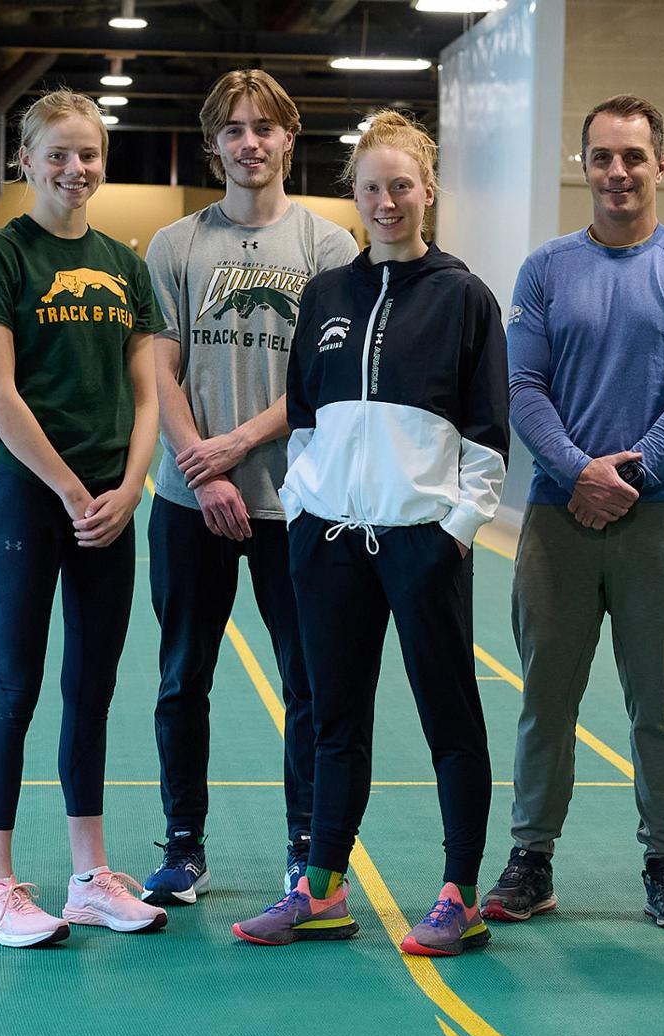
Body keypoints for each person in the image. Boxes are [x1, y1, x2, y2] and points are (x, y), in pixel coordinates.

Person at [231, 111, 509, 957]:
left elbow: (488, 435)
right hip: (330, 545)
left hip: (422, 545)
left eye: (401, 186)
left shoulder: (464, 298)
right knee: (330, 719)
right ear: (352, 194)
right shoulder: (326, 294)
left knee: (448, 716)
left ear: (427, 191)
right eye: (370, 187)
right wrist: (309, 513)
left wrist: (455, 531)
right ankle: (321, 887)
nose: (386, 202)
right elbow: (307, 420)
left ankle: (459, 894)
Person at [482, 95, 664, 930]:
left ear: (660, 164)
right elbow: (523, 387)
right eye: (601, 157)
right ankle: (531, 859)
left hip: (657, 520)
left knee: (656, 700)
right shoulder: (546, 270)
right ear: (582, 165)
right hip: (557, 520)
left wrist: (632, 472)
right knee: (546, 697)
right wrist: (578, 471)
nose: (617, 172)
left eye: (632, 157)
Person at [0, 90, 166, 948]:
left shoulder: (126, 263)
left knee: (94, 687)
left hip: (110, 508)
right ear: (27, 161)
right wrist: (74, 490)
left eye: (89, 155)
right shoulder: (1, 259)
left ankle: (88, 877)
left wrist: (128, 487)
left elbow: (149, 390)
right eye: (58, 155)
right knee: (18, 685)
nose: (76, 169)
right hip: (32, 502)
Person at [141, 70, 358, 906]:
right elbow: (156, 363)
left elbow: (324, 373)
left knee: (307, 681)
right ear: (215, 144)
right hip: (187, 499)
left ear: (289, 140)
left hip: (295, 502)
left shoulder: (329, 248)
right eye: (234, 129)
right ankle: (183, 847)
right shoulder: (175, 246)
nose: (250, 142)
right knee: (181, 677)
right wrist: (200, 463)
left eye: (265, 127)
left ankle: (306, 845)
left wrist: (234, 445)